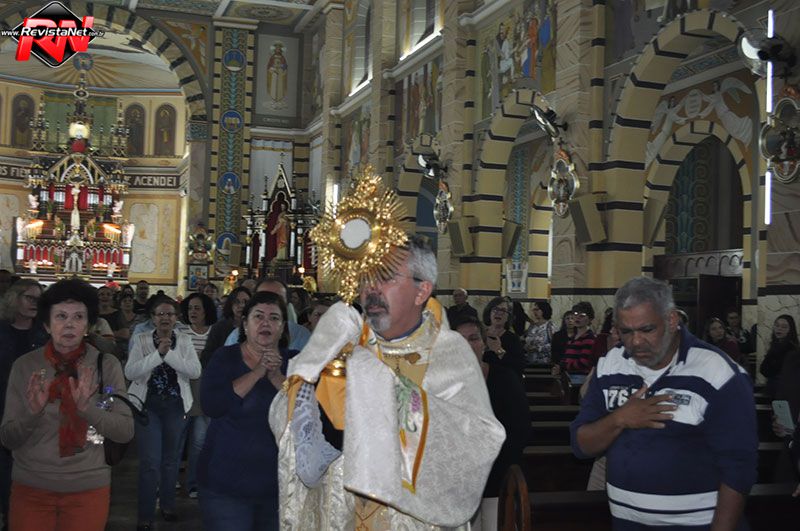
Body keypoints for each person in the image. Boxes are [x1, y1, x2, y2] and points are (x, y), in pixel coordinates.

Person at [269, 235, 505, 529]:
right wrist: (312, 373)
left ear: (422, 290)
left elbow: (480, 440)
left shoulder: (449, 352)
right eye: (366, 277)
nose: (371, 289)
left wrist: (373, 384)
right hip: (341, 514)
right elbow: (290, 427)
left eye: (386, 278)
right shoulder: (343, 342)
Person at [570, 277, 758, 530]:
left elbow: (739, 468)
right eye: (626, 331)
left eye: (647, 329)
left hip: (697, 525)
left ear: (671, 320)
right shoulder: (611, 364)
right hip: (626, 524)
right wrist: (620, 419)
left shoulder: (717, 372)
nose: (636, 341)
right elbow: (581, 445)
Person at [0, 278, 134, 531]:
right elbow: (8, 438)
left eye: (78, 317)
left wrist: (88, 409)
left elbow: (125, 431)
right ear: (46, 325)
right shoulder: (26, 366)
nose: (69, 324)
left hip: (88, 487)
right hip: (31, 487)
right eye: (61, 316)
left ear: (88, 325)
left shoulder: (106, 366)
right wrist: (32, 413)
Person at [198, 291, 293, 530]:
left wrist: (276, 377)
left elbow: (306, 411)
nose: (265, 323)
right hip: (226, 484)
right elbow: (212, 405)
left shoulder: (295, 362)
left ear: (282, 327)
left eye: (274, 318)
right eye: (258, 316)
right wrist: (257, 372)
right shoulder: (224, 358)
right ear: (245, 324)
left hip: (278, 485)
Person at [125, 295, 201, 531]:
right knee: (150, 462)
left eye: (170, 314)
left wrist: (170, 354)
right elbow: (130, 372)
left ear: (176, 318)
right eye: (160, 314)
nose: (165, 318)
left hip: (176, 405)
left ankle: (168, 506)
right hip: (148, 406)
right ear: (153, 318)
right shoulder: (141, 339)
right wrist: (157, 354)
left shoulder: (185, 341)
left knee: (171, 460)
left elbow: (195, 371)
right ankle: (145, 515)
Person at [453, 315, 529, 531]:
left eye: (474, 338)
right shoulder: (441, 381)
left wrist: (490, 467)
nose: (468, 345)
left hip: (498, 479)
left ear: (484, 344)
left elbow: (521, 430)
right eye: (460, 339)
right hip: (457, 483)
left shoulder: (504, 378)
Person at [0, 279, 48, 527]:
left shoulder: (43, 333)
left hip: (34, 409)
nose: (34, 303)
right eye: (30, 298)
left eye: (39, 299)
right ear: (14, 298)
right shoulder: (2, 331)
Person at [176, 293, 217, 500]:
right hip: (183, 390)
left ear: (206, 311)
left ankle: (194, 483)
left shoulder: (214, 332)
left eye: (197, 308)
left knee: (199, 441)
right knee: (177, 438)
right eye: (190, 308)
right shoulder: (180, 331)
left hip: (205, 392)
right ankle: (170, 480)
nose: (193, 312)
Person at [224, 278, 310, 352]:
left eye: (278, 298)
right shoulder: (235, 337)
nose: (270, 304)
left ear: (287, 303)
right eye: (263, 297)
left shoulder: (302, 336)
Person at [482, 296, 526, 374]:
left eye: (503, 310)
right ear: (489, 313)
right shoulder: (479, 335)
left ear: (508, 317)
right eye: (495, 309)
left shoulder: (513, 339)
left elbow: (520, 367)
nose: (499, 313)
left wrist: (499, 350)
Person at [759, 315, 799, 399]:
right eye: (777, 325)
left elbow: (776, 371)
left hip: (784, 393)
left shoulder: (791, 350)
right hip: (774, 390)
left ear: (790, 330)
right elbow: (763, 370)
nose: (779, 329)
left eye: (784, 327)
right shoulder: (775, 345)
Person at [556, 302, 597, 382]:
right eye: (575, 314)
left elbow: (583, 362)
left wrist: (564, 367)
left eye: (582, 316)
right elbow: (566, 356)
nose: (577, 318)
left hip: (579, 376)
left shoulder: (589, 338)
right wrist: (559, 366)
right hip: (568, 374)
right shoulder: (573, 337)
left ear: (589, 319)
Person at [523, 300, 554, 365]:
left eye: (537, 310)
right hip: (530, 361)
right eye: (534, 310)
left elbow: (554, 345)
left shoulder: (549, 326)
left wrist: (538, 348)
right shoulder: (532, 326)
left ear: (544, 310)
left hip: (544, 362)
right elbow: (527, 339)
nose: (534, 312)